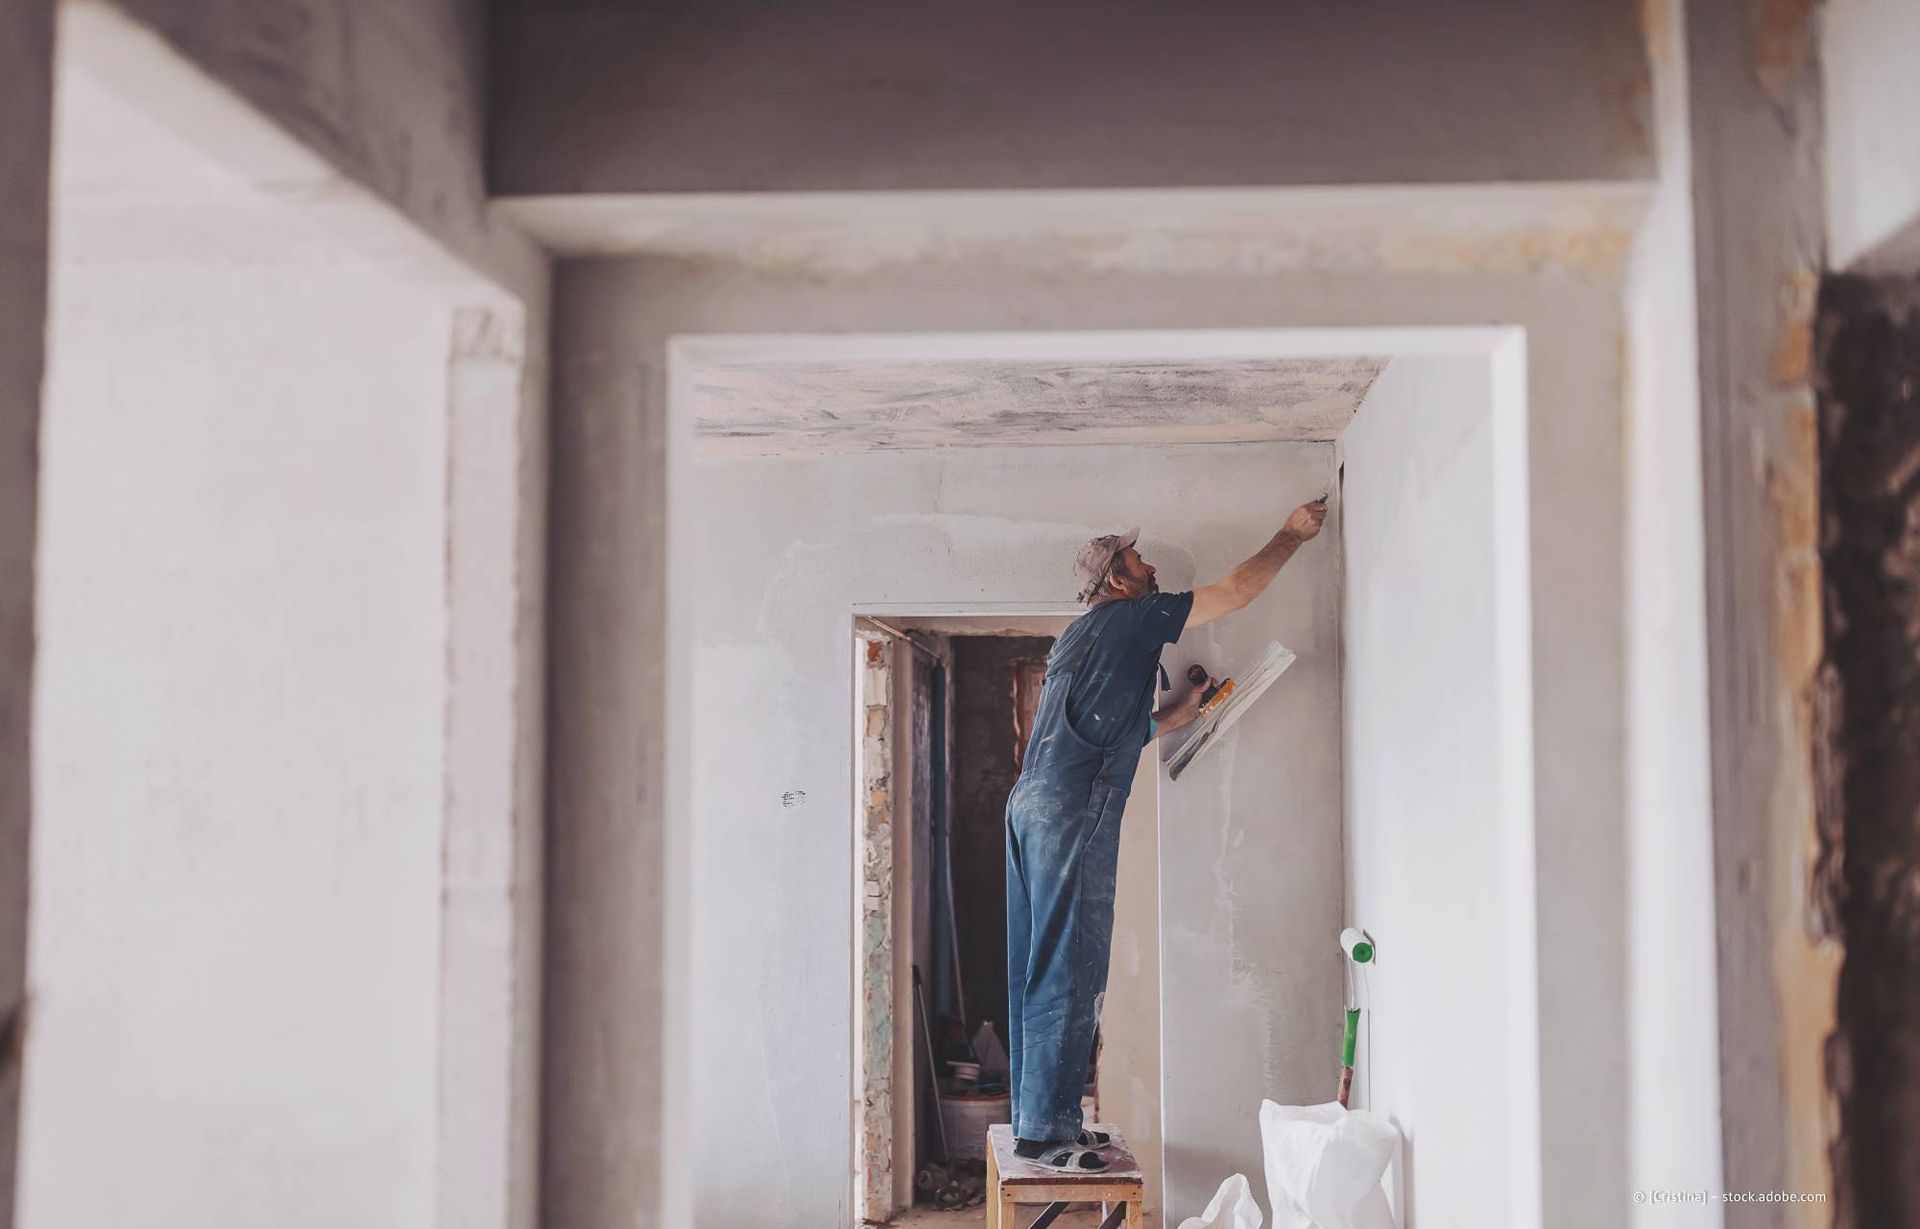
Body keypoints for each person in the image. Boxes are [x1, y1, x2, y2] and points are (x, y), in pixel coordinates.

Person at [1003, 497, 1330, 1172]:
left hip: (1033, 803)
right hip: (1072, 806)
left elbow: (1121, 725)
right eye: (1136, 558)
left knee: (1043, 963)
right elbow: (1236, 590)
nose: (1149, 564)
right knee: (1074, 961)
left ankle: (1044, 1119)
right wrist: (1291, 533)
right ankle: (1048, 1132)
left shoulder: (1078, 638)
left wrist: (1186, 708)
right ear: (1116, 580)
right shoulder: (1132, 616)